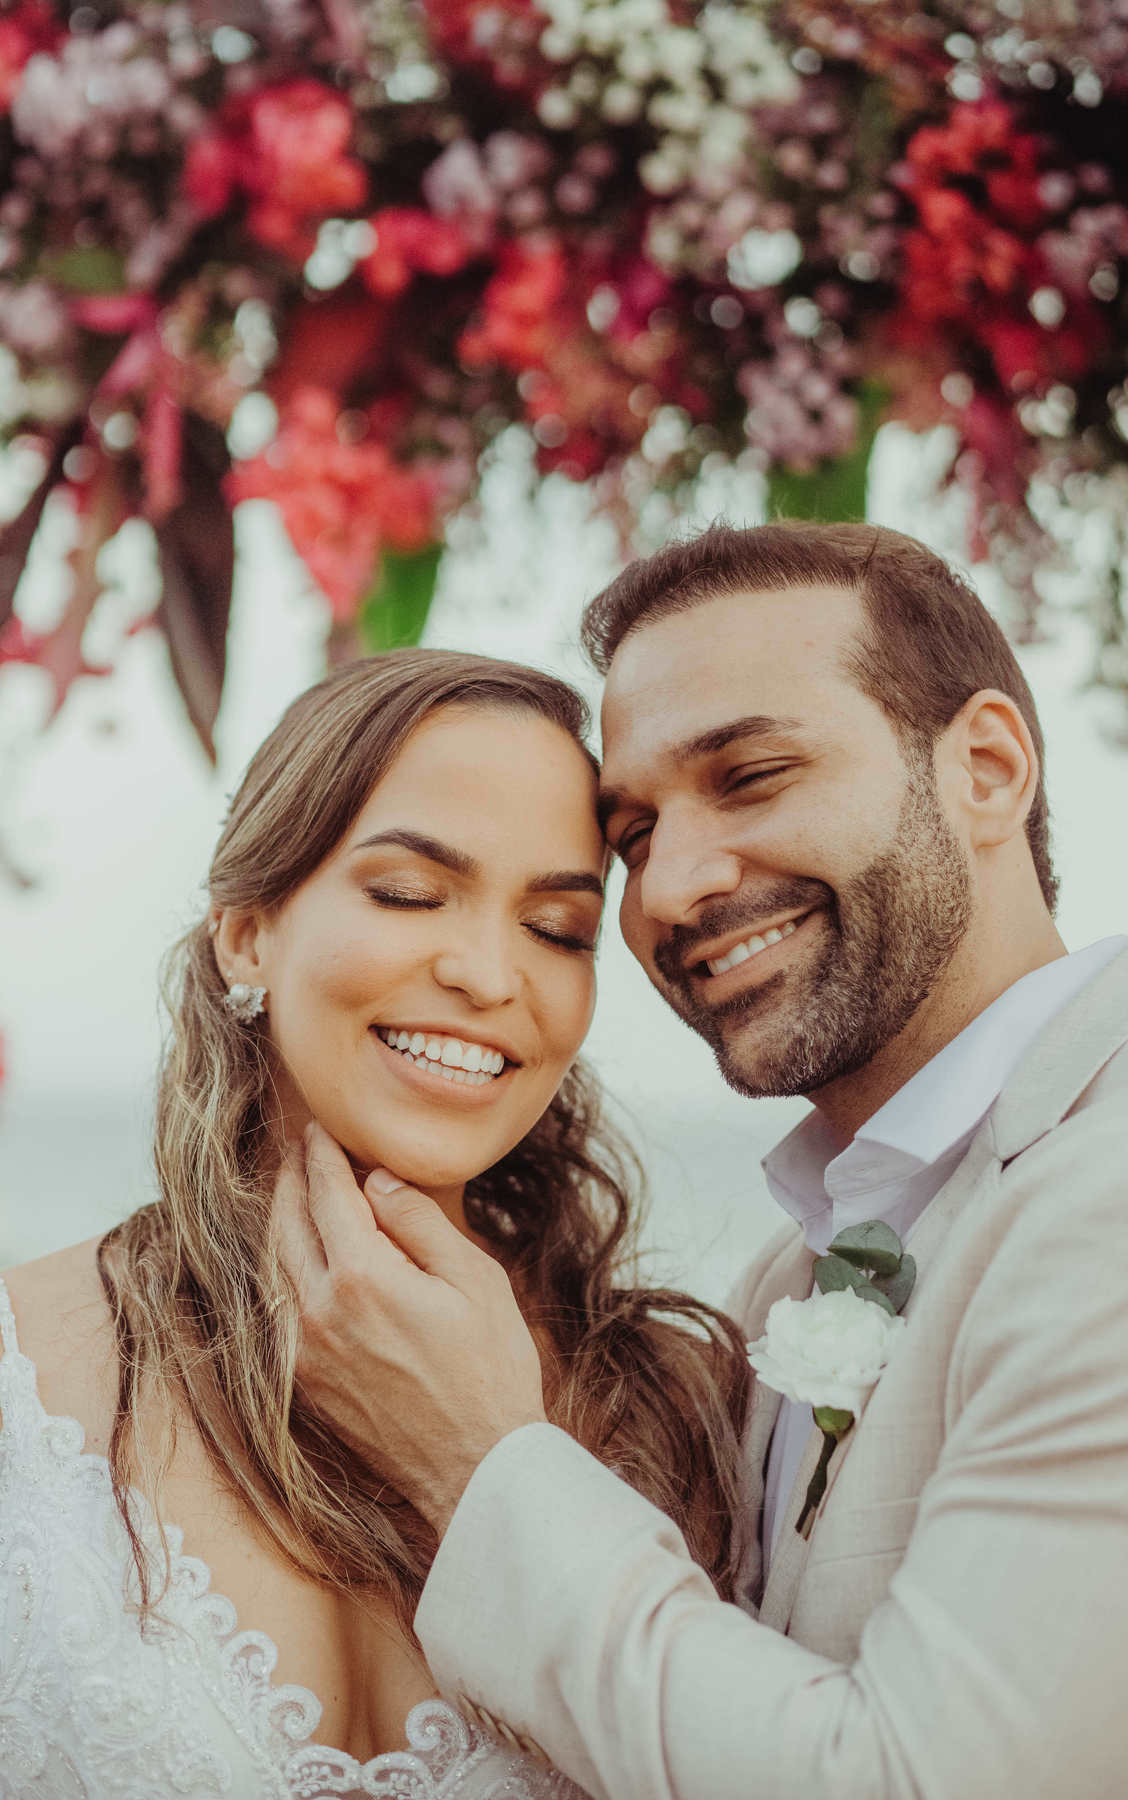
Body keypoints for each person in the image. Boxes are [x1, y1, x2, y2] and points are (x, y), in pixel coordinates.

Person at [278, 522, 1128, 1798]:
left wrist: (480, 1464)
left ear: (989, 769)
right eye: (631, 835)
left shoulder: (1103, 1192)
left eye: (751, 775)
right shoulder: (785, 1285)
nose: (670, 889)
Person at [0, 649, 753, 1798]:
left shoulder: (680, 1400)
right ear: (247, 933)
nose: (485, 972)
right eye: (411, 894)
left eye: (558, 927)